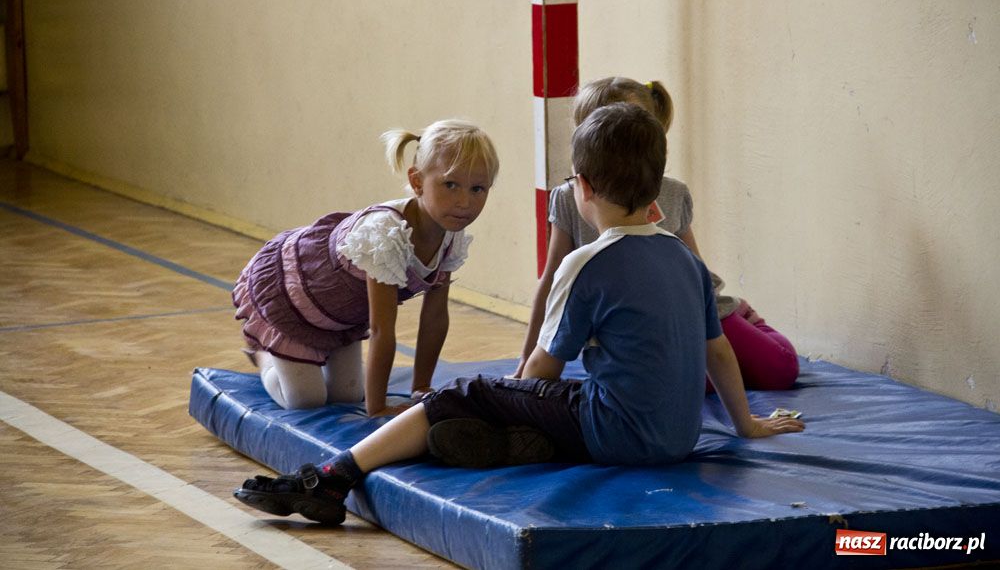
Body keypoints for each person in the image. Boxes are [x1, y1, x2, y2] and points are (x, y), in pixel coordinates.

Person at [232, 102, 805, 526]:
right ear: (656, 184)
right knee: (529, 402)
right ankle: (508, 441)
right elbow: (719, 348)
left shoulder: (587, 262)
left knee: (465, 395)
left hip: (618, 436)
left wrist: (501, 400)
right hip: (678, 436)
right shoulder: (684, 258)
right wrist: (746, 424)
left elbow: (543, 370)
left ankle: (332, 478)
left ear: (580, 187)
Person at [515, 76, 799, 392]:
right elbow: (551, 279)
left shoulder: (671, 193)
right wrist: (526, 357)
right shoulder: (570, 198)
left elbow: (696, 273)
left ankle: (748, 318)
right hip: (628, 325)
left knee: (781, 368)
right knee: (678, 382)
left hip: (685, 315)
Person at [232, 120, 499, 416]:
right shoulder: (386, 234)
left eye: (478, 189)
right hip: (295, 299)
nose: (465, 202)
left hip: (340, 317)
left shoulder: (451, 232)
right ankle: (263, 355)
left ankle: (315, 356)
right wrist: (377, 408)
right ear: (417, 181)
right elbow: (381, 329)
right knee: (305, 399)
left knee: (348, 395)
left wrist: (421, 387)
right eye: (450, 185)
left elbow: (435, 316)